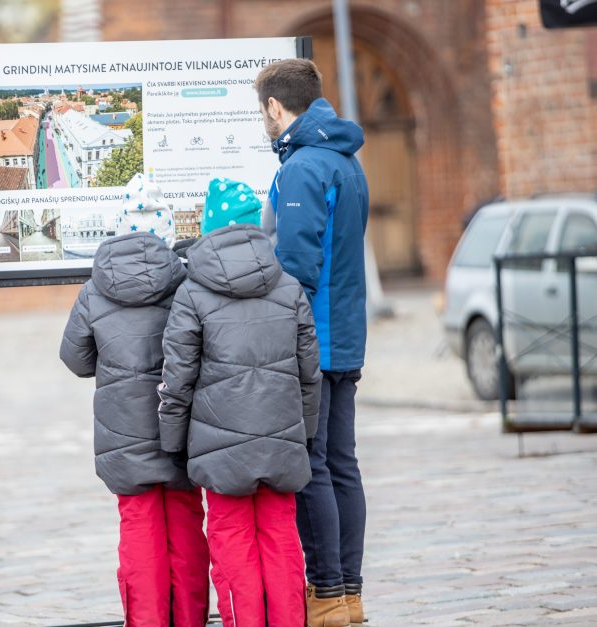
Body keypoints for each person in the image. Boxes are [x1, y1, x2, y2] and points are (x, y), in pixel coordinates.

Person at [158, 178, 322, 627]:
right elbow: (310, 372)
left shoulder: (192, 293)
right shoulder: (289, 288)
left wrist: (175, 443)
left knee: (231, 544)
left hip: (219, 449)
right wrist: (303, 432)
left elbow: (178, 379)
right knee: (282, 538)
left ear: (210, 230)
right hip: (281, 441)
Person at [60, 175, 210, 627]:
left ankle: (145, 620)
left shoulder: (96, 289)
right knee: (185, 525)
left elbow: (75, 359)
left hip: (122, 435)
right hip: (181, 428)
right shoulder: (186, 283)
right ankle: (189, 619)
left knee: (138, 525)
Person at [255, 59, 370, 627]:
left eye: (263, 111)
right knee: (343, 464)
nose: (263, 121)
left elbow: (296, 264)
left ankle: (325, 593)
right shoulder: (347, 162)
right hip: (345, 334)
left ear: (277, 107)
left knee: (314, 465)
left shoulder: (301, 168)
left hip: (312, 338)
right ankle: (348, 594)